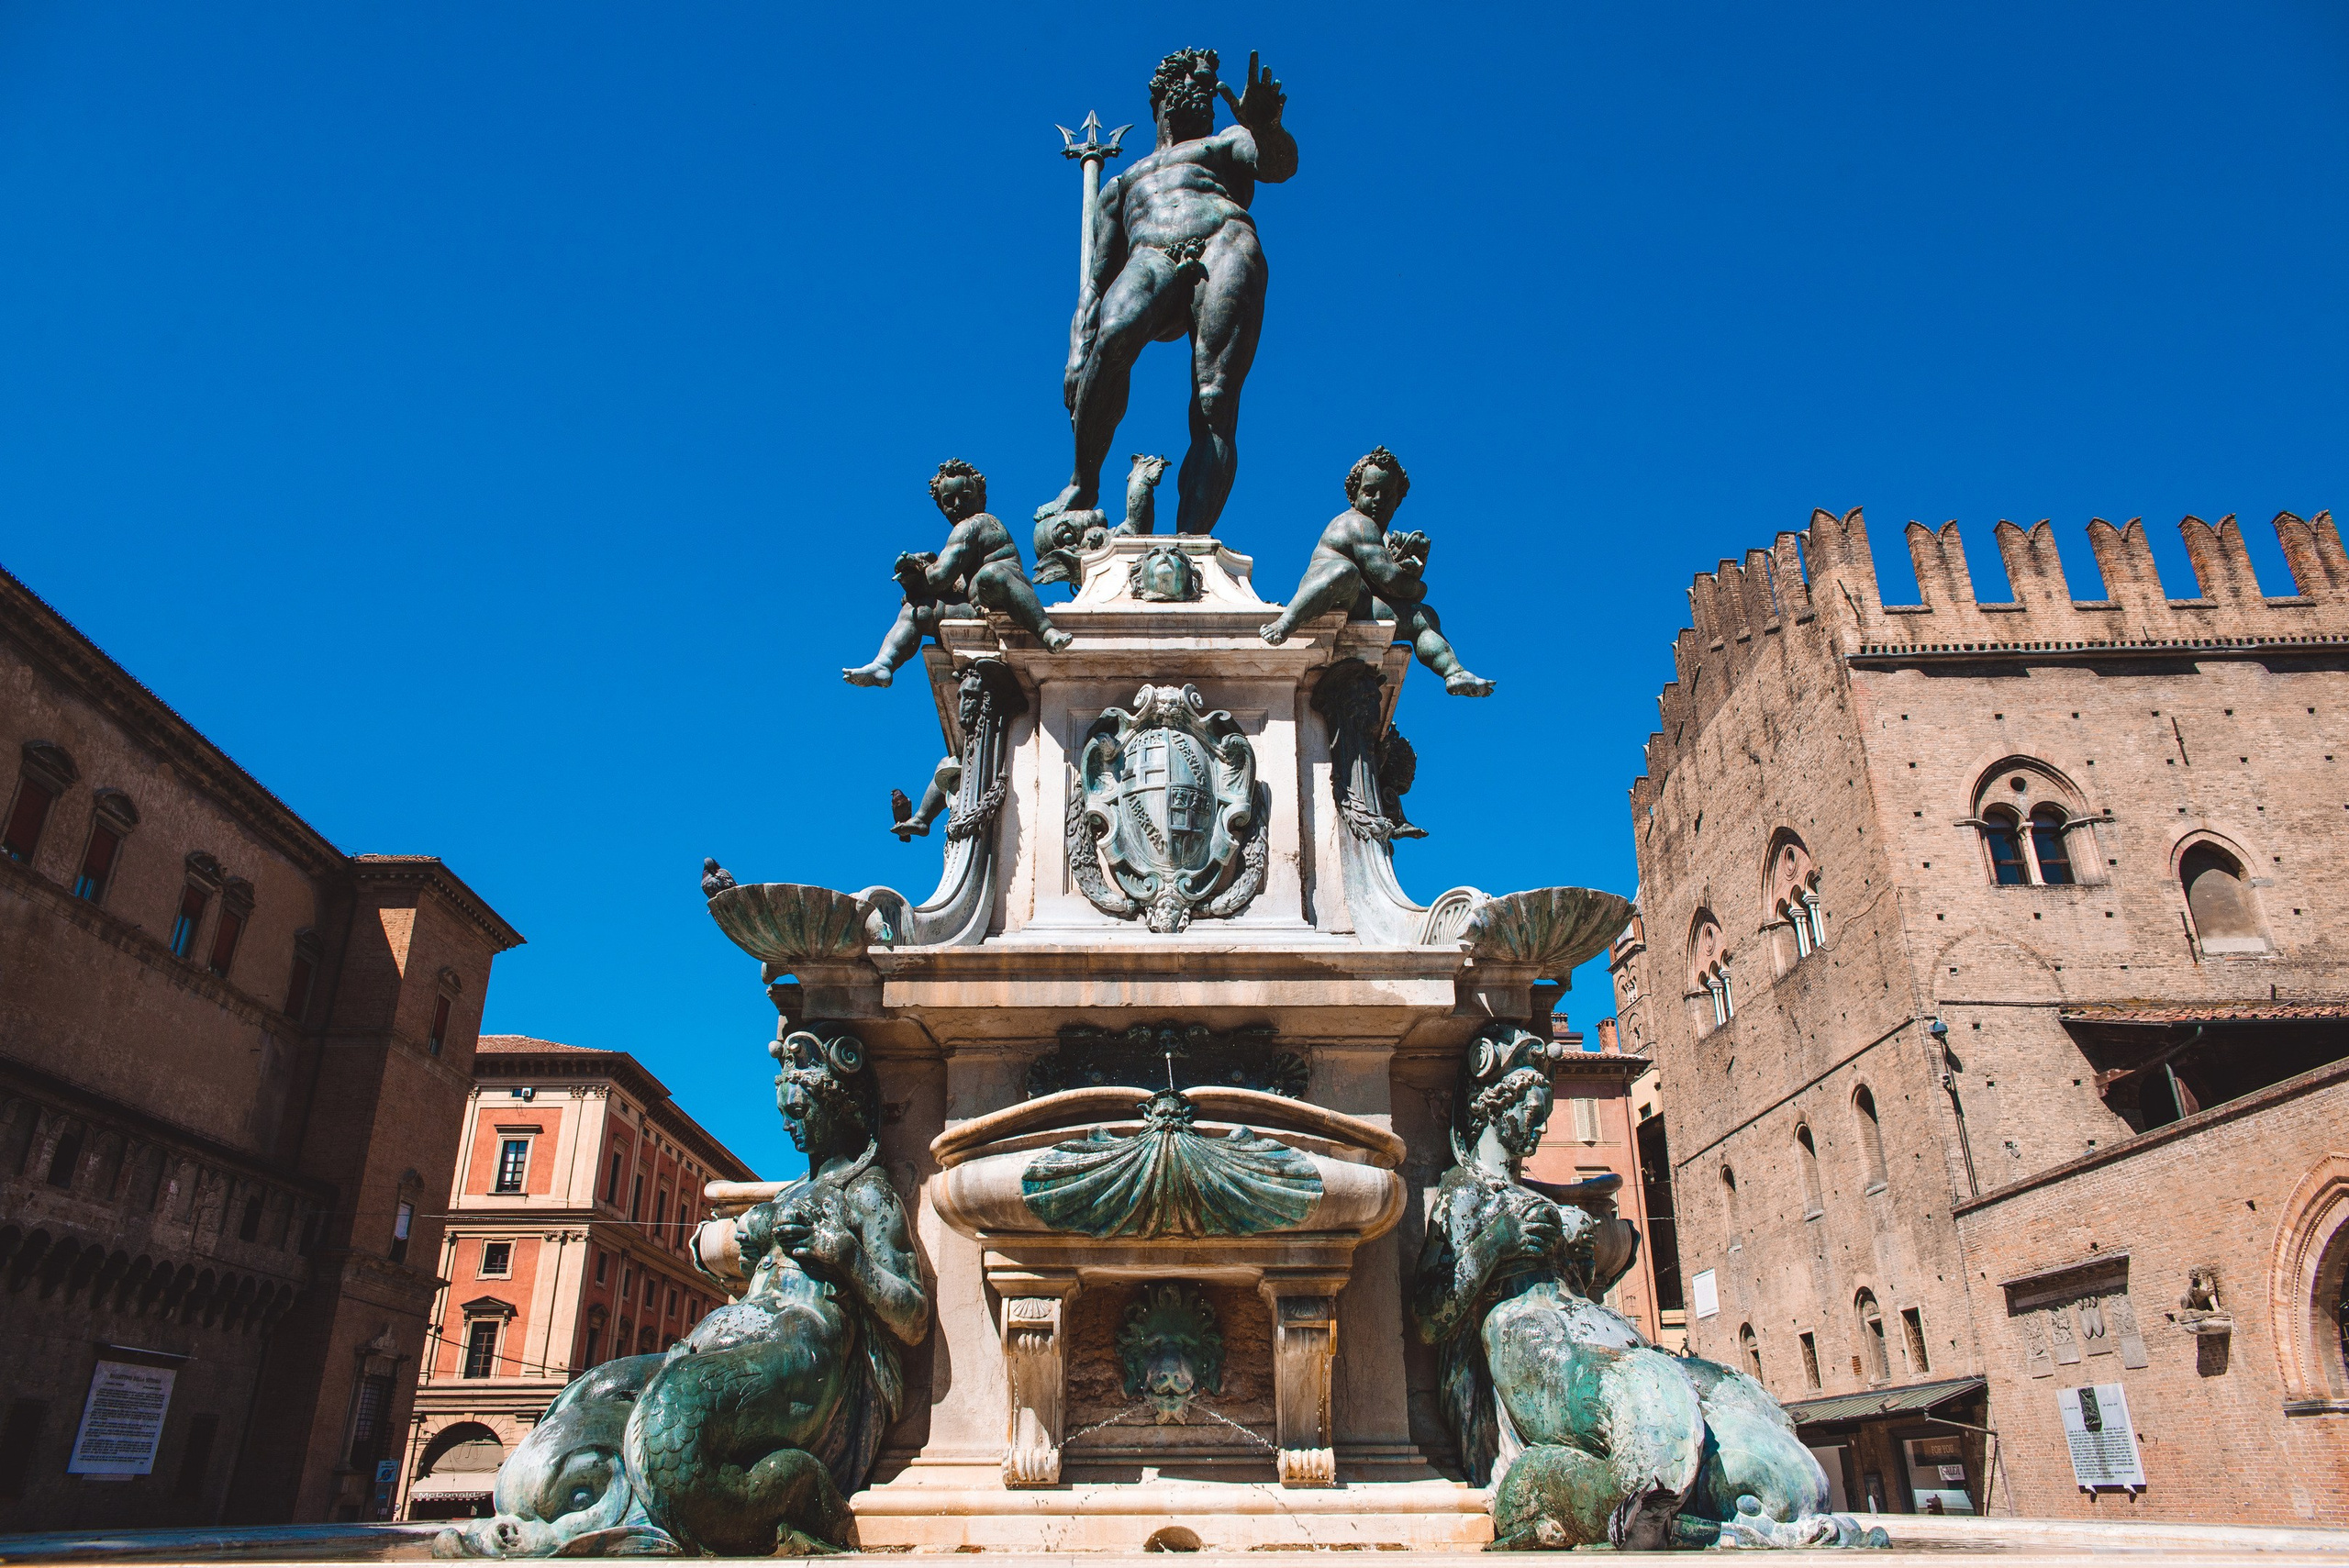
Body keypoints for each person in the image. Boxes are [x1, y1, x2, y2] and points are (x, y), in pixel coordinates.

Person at [1412, 1026, 1882, 1551]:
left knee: (1732, 1391)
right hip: (1532, 1343)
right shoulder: (1464, 1193)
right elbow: (1431, 1315)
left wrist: (1581, 1259)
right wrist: (1497, 1241)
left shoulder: (1537, 1197)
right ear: (1495, 1106)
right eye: (1531, 1114)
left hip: (1595, 1335)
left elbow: (1582, 1288)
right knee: (1647, 1386)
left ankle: (1781, 1502)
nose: (1539, 1130)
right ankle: (1646, 1508)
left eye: (1544, 1117)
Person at [1037, 49, 1296, 539]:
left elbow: (1278, 166)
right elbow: (1094, 283)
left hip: (1225, 240)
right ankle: (1082, 482)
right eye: (1198, 81)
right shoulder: (1121, 184)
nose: (1206, 91)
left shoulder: (1227, 142)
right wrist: (1076, 354)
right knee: (1111, 337)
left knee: (1215, 398)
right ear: (1166, 90)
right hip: (1151, 254)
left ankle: (1189, 541)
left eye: (1210, 84)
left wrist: (1266, 128)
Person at [1261, 448, 1494, 696]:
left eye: (1387, 494)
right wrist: (1417, 584)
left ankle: (1454, 672)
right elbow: (1390, 580)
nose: (1378, 500)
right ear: (1354, 494)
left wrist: (1411, 568)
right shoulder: (1357, 523)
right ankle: (1286, 621)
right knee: (1345, 572)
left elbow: (1394, 584)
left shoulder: (1384, 537)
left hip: (1359, 602)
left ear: (1398, 500)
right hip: (1326, 592)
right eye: (1370, 492)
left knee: (1421, 617)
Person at [845, 461, 1070, 688]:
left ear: (981, 498)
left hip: (1007, 598)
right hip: (978, 607)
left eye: (965, 496)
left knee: (991, 574)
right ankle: (884, 663)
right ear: (941, 507)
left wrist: (919, 576)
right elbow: (949, 585)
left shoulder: (977, 523)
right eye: (948, 500)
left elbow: (939, 577)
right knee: (918, 610)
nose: (957, 504)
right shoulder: (962, 539)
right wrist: (913, 574)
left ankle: (1046, 631)